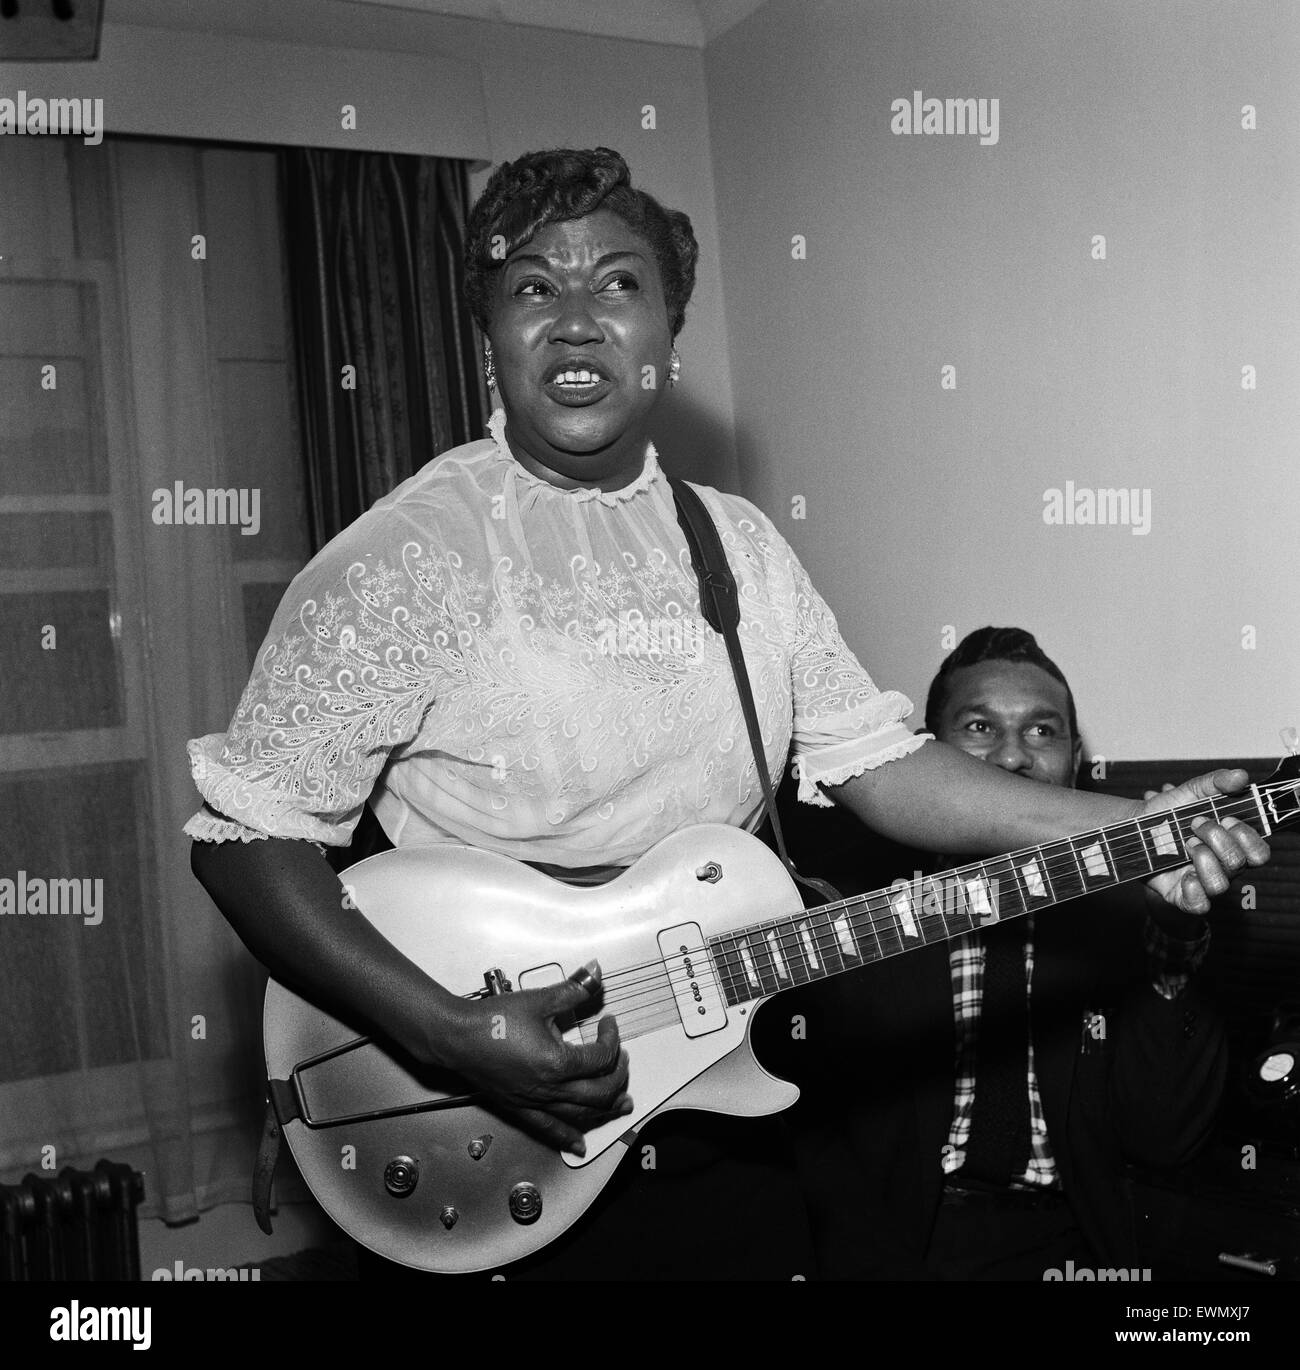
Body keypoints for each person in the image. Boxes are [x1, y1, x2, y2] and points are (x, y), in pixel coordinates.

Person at [185, 148, 1267, 1281]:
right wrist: (447, 1031)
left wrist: (1131, 825)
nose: (574, 321)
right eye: (532, 287)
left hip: (711, 1115)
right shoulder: (408, 553)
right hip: (486, 1113)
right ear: (486, 333)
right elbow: (246, 842)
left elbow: (879, 761)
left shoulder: (739, 543)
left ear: (668, 331)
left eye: (616, 283)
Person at [781, 627, 1231, 1279]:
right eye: (980, 728)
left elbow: (1167, 1139)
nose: (1014, 759)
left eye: (1042, 732)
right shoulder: (852, 912)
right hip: (890, 1252)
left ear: (1075, 761)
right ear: (926, 758)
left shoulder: (1129, 917)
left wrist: (1175, 942)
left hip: (1066, 1249)